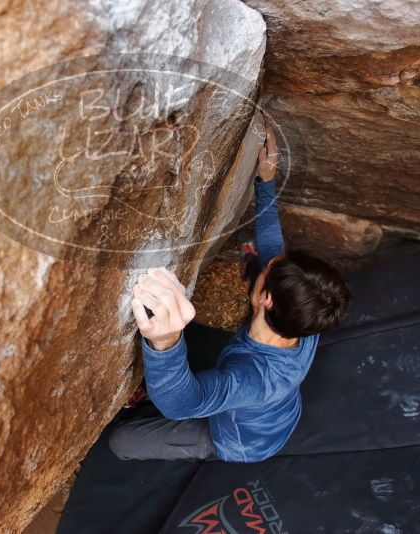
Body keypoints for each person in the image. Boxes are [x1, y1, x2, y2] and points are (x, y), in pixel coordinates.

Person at [109, 123, 352, 462]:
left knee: (122, 441)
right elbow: (272, 252)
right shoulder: (306, 319)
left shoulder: (253, 380)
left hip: (239, 441)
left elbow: (182, 405)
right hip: (271, 412)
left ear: (266, 299)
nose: (271, 257)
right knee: (206, 371)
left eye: (267, 270)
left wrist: (165, 343)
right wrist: (265, 182)